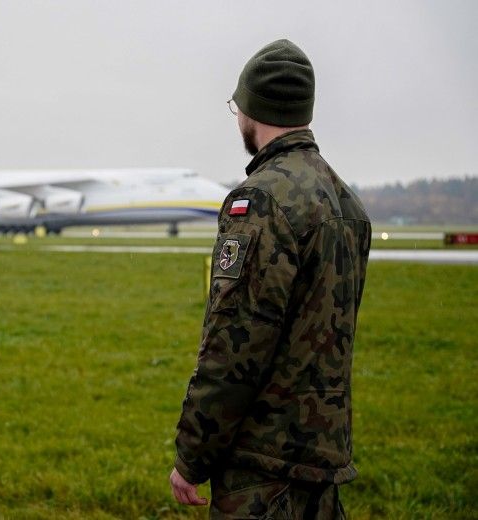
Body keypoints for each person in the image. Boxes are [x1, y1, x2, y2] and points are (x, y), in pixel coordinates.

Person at [170, 39, 372, 519]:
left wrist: (191, 457)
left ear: (250, 110)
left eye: (235, 107)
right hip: (322, 460)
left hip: (264, 470)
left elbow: (235, 348)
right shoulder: (347, 204)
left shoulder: (260, 201)